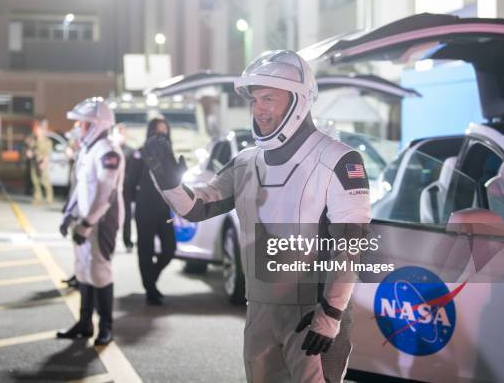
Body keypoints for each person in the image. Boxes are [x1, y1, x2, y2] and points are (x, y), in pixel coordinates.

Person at [143, 50, 371, 382]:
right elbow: (196, 207)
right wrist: (167, 182)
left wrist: (331, 314)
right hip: (260, 309)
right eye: (253, 99)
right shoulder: (246, 161)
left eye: (268, 98)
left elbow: (351, 244)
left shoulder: (338, 159)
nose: (258, 108)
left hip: (314, 312)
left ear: (298, 101)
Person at [56, 97, 125, 346]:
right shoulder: (89, 150)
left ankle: (106, 326)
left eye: (84, 124)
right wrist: (69, 214)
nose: (79, 128)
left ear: (98, 124)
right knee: (83, 270)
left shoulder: (109, 151)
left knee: (100, 271)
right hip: (84, 219)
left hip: (102, 222)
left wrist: (87, 224)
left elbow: (104, 194)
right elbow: (81, 188)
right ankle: (85, 323)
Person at [126, 117, 177, 305]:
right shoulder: (141, 154)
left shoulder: (169, 155)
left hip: (164, 208)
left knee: (170, 248)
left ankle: (151, 280)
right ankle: (150, 289)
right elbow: (131, 182)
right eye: (159, 132)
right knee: (145, 250)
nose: (162, 136)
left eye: (165, 132)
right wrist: (132, 205)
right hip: (144, 207)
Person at [114, 123, 135, 252]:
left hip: (125, 188)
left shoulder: (130, 151)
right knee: (111, 214)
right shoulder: (111, 149)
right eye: (119, 131)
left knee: (126, 215)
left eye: (123, 131)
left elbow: (132, 172)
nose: (121, 134)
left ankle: (127, 241)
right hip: (112, 187)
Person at [26, 124, 53, 205]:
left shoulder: (47, 141)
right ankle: (38, 198)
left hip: (42, 163)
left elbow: (48, 154)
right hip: (34, 163)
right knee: (35, 181)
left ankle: (49, 198)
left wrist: (44, 163)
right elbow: (30, 151)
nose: (37, 132)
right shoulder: (34, 141)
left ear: (42, 132)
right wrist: (29, 153)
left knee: (45, 182)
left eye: (39, 131)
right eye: (36, 131)